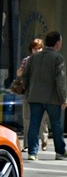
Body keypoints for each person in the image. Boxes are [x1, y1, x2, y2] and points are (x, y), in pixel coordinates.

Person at [22, 30, 67, 161]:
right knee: (57, 124)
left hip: (34, 96)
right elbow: (60, 80)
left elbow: (25, 75)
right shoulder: (58, 58)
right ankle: (60, 152)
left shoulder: (34, 57)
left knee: (34, 124)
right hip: (52, 97)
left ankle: (32, 152)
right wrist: (63, 98)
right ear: (57, 44)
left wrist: (29, 88)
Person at [17, 38, 49, 152]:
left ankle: (44, 139)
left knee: (42, 119)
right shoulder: (27, 60)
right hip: (28, 92)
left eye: (39, 48)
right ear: (31, 49)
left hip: (42, 93)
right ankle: (27, 144)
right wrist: (22, 70)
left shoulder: (46, 60)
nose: (37, 50)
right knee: (27, 119)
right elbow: (19, 73)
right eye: (35, 48)